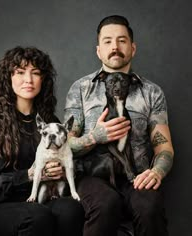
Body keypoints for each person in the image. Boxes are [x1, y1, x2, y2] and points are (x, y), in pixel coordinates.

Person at [64, 15, 174, 236]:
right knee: (105, 205)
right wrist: (95, 136)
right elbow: (66, 144)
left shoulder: (151, 92)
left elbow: (164, 147)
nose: (115, 46)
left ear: (132, 48)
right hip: (93, 176)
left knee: (149, 206)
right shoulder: (81, 88)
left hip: (137, 176)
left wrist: (156, 172)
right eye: (107, 41)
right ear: (98, 51)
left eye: (122, 40)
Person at [0, 46, 84, 236]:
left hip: (44, 197)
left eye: (36, 73)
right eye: (20, 72)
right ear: (9, 78)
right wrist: (28, 175)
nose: (28, 80)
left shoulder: (52, 123)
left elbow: (68, 161)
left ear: (43, 80)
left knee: (71, 210)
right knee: (38, 217)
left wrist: (61, 171)